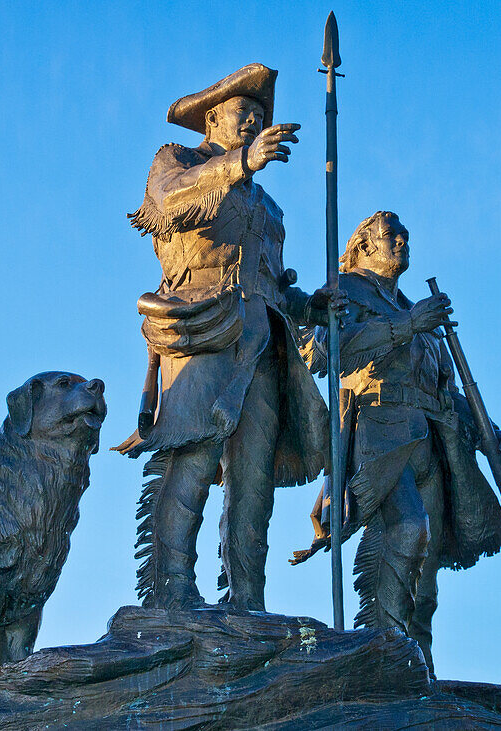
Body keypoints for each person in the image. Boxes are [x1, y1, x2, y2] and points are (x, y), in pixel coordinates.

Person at [117, 63, 345, 611]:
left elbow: (269, 282)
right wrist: (240, 163)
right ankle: (169, 591)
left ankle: (247, 598)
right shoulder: (176, 161)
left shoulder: (270, 209)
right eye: (244, 112)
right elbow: (168, 205)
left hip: (263, 344)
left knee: (253, 479)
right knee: (192, 453)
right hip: (200, 324)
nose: (253, 122)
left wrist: (309, 304)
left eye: (261, 117)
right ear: (213, 118)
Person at [291, 211, 501, 676]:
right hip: (380, 435)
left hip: (431, 442)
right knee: (408, 530)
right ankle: (386, 659)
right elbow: (331, 353)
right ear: (366, 245)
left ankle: (421, 670)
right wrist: (408, 323)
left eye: (406, 235)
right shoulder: (347, 291)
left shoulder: (421, 312)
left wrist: (488, 428)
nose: (403, 241)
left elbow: (446, 388)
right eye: (391, 235)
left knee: (427, 582)